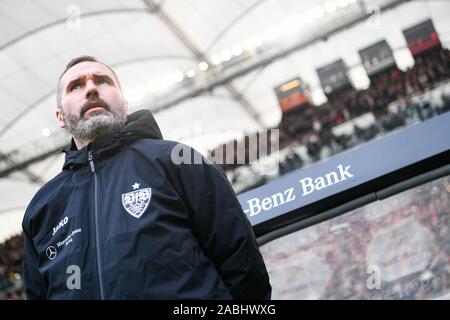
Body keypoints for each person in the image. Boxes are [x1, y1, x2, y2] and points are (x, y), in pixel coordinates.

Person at [21, 56, 271, 300]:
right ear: (60, 117)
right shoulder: (41, 210)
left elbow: (242, 265)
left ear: (125, 105)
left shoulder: (177, 161)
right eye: (76, 86)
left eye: (103, 81)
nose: (91, 89)